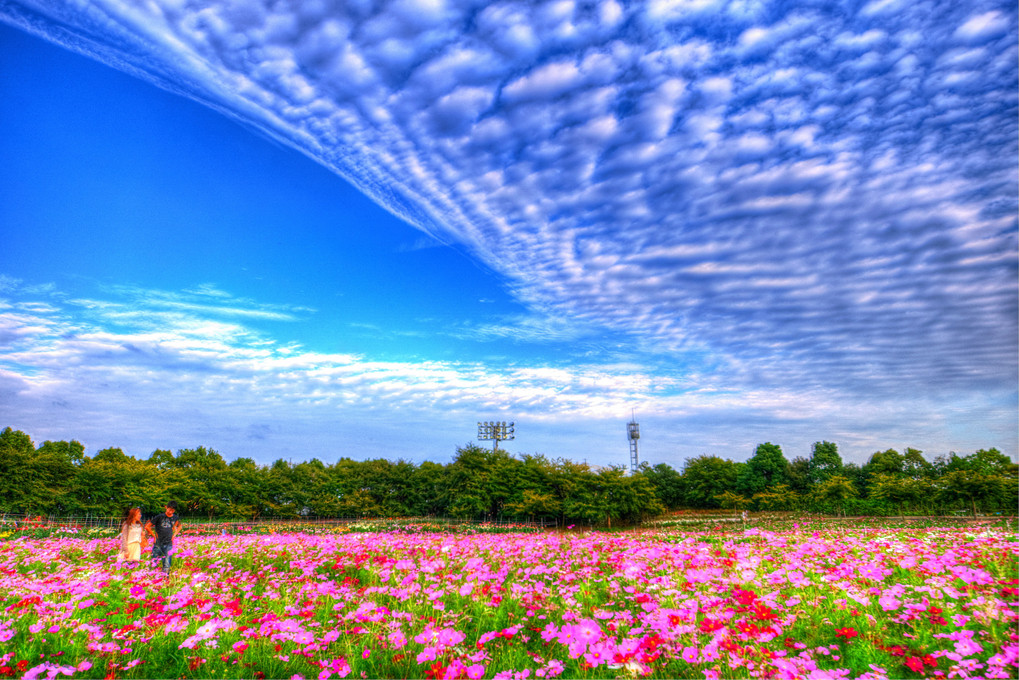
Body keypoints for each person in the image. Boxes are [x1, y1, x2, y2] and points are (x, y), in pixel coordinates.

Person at [144, 501, 181, 574]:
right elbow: (147, 526)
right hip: (158, 542)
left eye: (173, 510)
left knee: (167, 563)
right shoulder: (159, 517)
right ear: (166, 507)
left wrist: (174, 535)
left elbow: (179, 526)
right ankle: (151, 576)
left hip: (168, 543)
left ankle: (165, 578)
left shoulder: (175, 518)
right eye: (169, 509)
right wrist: (154, 535)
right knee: (154, 562)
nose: (171, 512)